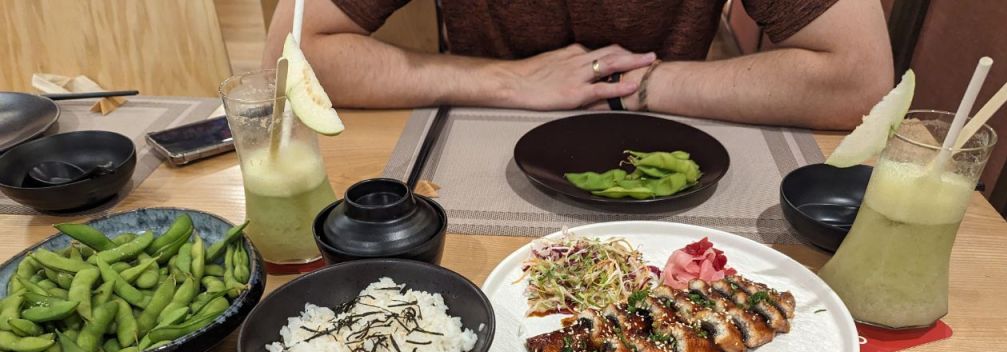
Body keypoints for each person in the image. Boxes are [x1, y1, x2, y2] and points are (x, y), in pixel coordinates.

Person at [263, 0, 894, 129]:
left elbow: (859, 79)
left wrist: (649, 82)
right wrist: (509, 80)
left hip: (677, 133)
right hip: (477, 137)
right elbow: (291, 56)